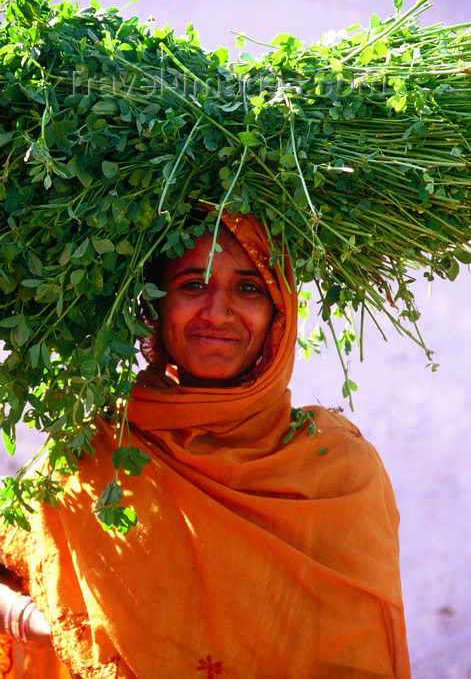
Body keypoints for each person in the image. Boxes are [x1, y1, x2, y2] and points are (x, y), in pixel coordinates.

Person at [0, 209, 410, 678]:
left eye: (250, 288)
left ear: (281, 312)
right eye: (193, 285)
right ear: (154, 304)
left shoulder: (338, 469)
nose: (217, 311)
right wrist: (48, 624)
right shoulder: (99, 451)